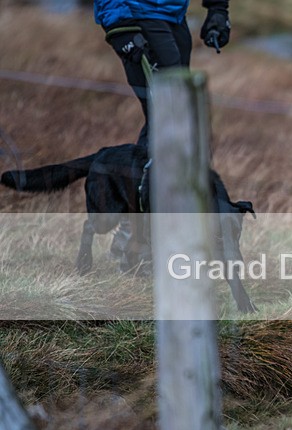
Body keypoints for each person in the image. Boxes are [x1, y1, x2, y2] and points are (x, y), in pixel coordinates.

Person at [94, 0, 231, 266]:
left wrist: (217, 9)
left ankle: (136, 236)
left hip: (173, 19)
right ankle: (138, 240)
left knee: (169, 121)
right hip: (137, 18)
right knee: (168, 119)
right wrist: (118, 23)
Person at [94, 0, 232, 147]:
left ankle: (155, 167)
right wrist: (117, 22)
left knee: (175, 116)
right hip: (138, 15)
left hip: (175, 16)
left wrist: (217, 8)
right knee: (168, 115)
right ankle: (151, 167)